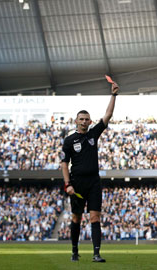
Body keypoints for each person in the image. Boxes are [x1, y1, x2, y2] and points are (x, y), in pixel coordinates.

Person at [60, 81, 119, 262]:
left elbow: (108, 115)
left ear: (90, 121)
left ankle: (96, 254)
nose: (84, 121)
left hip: (94, 182)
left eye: (87, 119)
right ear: (76, 121)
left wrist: (114, 95)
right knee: (76, 218)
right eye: (81, 119)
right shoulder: (69, 140)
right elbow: (64, 163)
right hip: (76, 183)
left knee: (95, 217)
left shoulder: (94, 134)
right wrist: (67, 184)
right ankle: (75, 251)